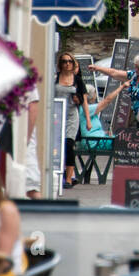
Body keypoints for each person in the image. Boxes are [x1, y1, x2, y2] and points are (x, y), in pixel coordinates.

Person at [55, 52, 91, 188]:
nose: (67, 64)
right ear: (60, 64)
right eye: (64, 61)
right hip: (57, 114)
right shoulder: (55, 78)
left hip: (71, 116)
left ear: (73, 64)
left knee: (69, 144)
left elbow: (85, 102)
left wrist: (88, 120)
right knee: (57, 145)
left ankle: (69, 178)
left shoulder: (77, 80)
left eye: (70, 61)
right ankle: (58, 173)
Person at [104, 53, 139, 124]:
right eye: (136, 67)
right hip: (136, 115)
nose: (136, 70)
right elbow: (114, 73)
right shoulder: (134, 75)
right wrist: (97, 68)